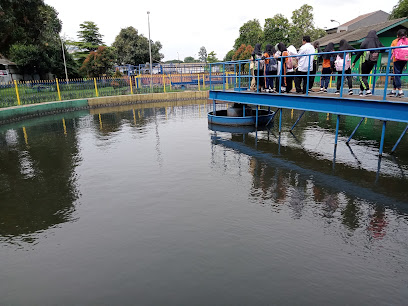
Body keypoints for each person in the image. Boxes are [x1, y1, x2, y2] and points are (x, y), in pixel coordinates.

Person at [352, 30, 384, 96]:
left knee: (361, 76)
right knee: (365, 77)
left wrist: (354, 62)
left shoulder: (365, 41)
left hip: (364, 61)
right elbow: (383, 49)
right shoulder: (377, 41)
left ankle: (368, 91)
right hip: (373, 61)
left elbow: (360, 53)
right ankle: (361, 91)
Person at [390, 29, 408, 98]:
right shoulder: (407, 40)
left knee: (396, 75)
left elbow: (391, 51)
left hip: (396, 60)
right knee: (398, 75)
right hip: (405, 59)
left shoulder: (395, 41)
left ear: (398, 35)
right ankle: (393, 91)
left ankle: (400, 91)